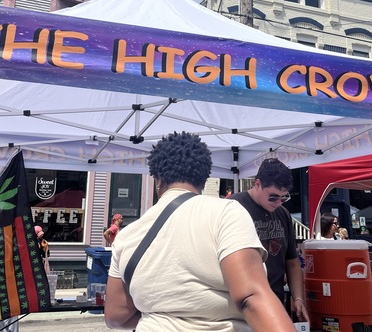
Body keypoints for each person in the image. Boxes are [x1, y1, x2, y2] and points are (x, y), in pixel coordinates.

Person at [105, 132, 296, 331]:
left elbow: (116, 318)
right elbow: (252, 297)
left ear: (158, 179)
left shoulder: (127, 235)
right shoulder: (226, 213)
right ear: (204, 179)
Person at [230, 158, 308, 322]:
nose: (278, 203)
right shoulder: (232, 208)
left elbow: (292, 261)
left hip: (275, 303)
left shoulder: (283, 214)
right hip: (241, 308)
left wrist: (298, 298)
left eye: (284, 197)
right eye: (273, 197)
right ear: (257, 184)